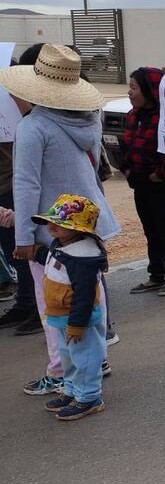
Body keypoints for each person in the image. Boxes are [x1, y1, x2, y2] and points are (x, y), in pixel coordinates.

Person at [0, 44, 120, 397]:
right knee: (87, 299)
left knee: (52, 305)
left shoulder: (34, 127)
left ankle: (60, 371)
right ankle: (93, 361)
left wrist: (23, 237)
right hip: (85, 225)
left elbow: (26, 185)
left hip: (50, 231)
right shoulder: (87, 120)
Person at [29, 194, 109, 420]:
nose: (51, 226)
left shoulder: (83, 257)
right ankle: (73, 390)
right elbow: (54, 260)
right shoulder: (63, 245)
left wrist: (77, 324)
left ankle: (90, 397)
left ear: (79, 228)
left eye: (60, 223)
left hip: (77, 320)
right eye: (51, 221)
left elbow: (83, 295)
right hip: (63, 317)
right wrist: (38, 253)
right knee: (68, 358)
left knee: (84, 359)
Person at [0, 44, 52, 337]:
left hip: (12, 185)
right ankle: (25, 303)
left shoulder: (28, 120)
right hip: (8, 186)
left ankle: (37, 308)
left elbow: (28, 177)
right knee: (12, 252)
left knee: (26, 252)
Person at [120, 66, 165, 296]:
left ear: (148, 90)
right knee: (150, 231)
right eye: (129, 87)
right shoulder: (133, 115)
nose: (130, 92)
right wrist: (127, 170)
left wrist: (159, 175)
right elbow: (125, 146)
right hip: (140, 183)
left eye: (134, 87)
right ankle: (155, 275)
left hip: (164, 184)